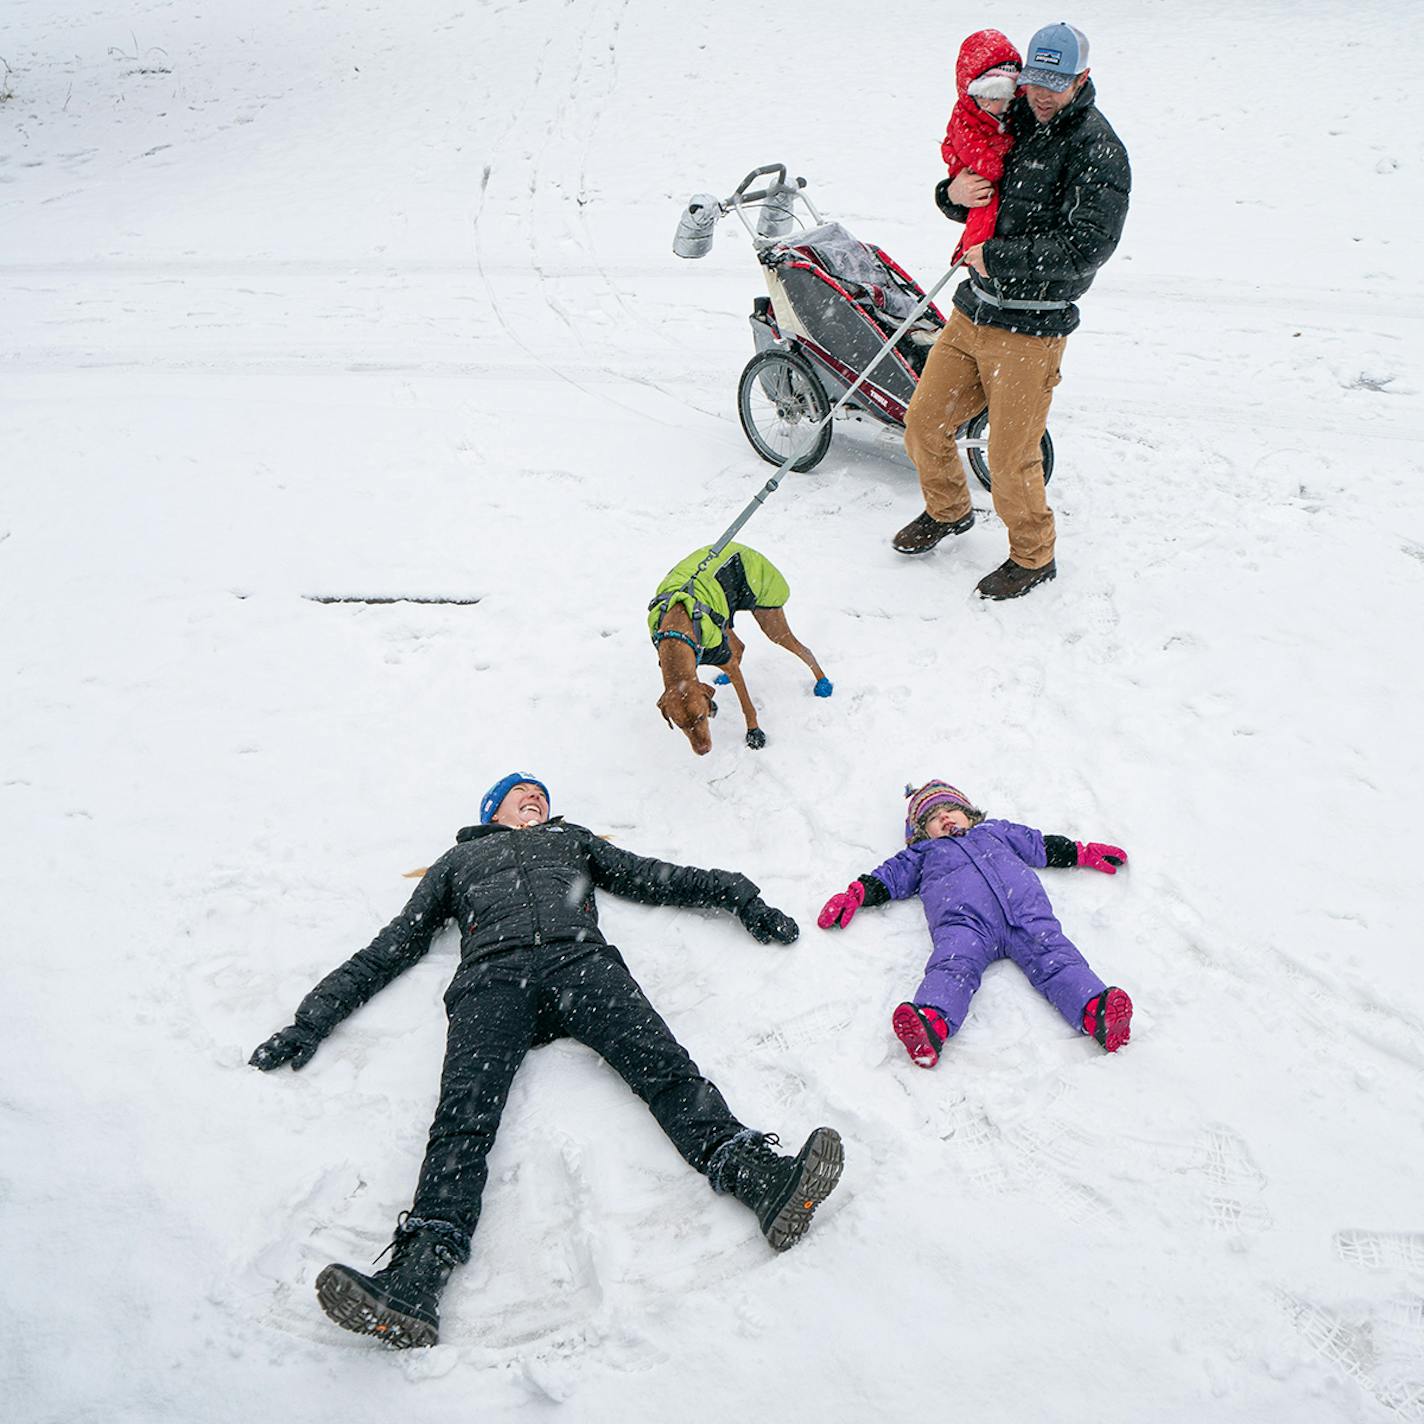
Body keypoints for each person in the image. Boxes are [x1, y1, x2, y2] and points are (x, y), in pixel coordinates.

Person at [250, 774, 844, 1348]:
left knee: (665, 1067)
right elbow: (392, 945)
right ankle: (416, 1278)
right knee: (464, 1114)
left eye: (541, 793)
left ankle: (761, 1181)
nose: (534, 797)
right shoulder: (456, 865)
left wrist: (742, 898)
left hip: (579, 964)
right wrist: (311, 1021)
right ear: (493, 812)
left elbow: (659, 877)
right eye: (520, 792)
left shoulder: (571, 840)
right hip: (492, 980)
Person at [894, 21, 1131, 600]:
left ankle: (1033, 557)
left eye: (1058, 81)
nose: (1043, 92)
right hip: (972, 310)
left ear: (1082, 79)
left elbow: (1086, 247)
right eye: (1035, 79)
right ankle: (949, 512)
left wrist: (995, 257)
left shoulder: (1098, 149)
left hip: (1031, 328)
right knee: (924, 422)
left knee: (1010, 456)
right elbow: (975, 189)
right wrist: (949, 195)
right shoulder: (1011, 117)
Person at [817, 779, 1133, 1067]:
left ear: (971, 814)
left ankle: (1098, 1013)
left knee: (1057, 959)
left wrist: (1082, 852)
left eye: (952, 809)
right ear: (922, 834)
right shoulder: (923, 854)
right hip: (966, 925)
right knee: (952, 966)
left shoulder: (995, 831)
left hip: (1027, 915)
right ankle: (931, 1024)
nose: (944, 818)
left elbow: (1038, 845)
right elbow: (889, 876)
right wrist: (857, 894)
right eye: (932, 818)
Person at [939, 29, 1023, 264]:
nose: (987, 103)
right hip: (974, 172)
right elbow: (986, 165)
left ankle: (977, 252)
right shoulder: (965, 118)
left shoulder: (1023, 114)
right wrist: (949, 194)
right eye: (981, 95)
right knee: (983, 206)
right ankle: (974, 250)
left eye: (997, 97)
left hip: (1014, 243)